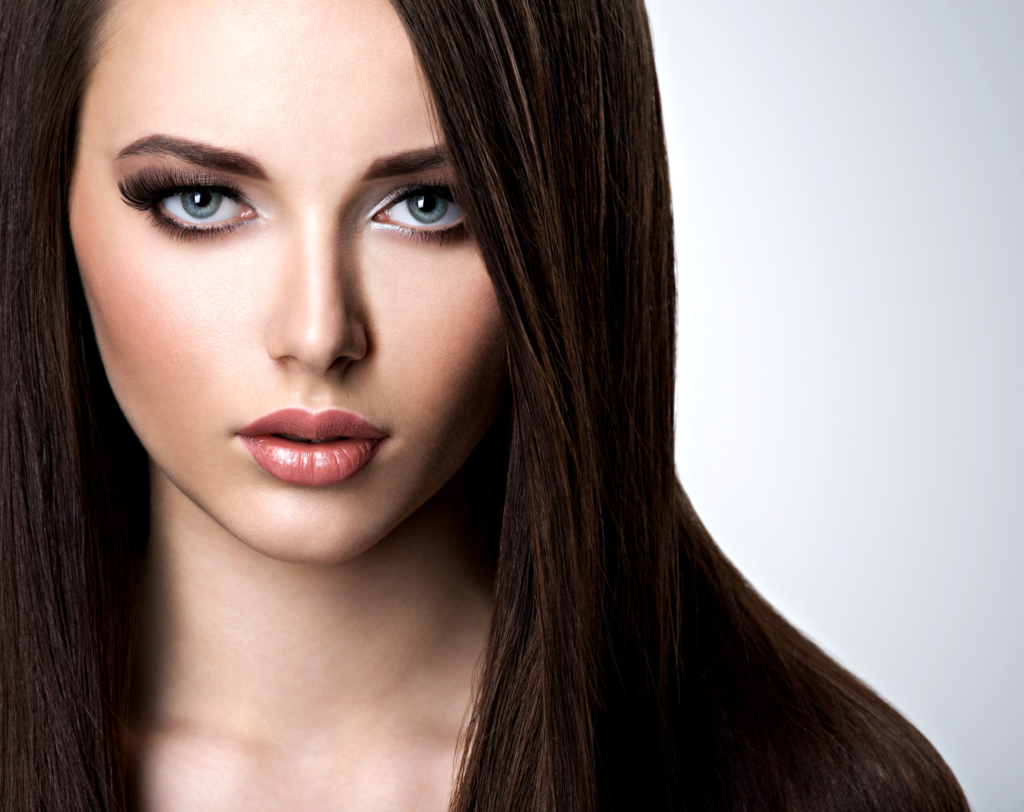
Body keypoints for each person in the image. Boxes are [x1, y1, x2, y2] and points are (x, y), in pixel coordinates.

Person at [0, 0, 970, 809]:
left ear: (560, 226)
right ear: (46, 197)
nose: (317, 330)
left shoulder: (814, 787)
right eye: (203, 199)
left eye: (427, 206)